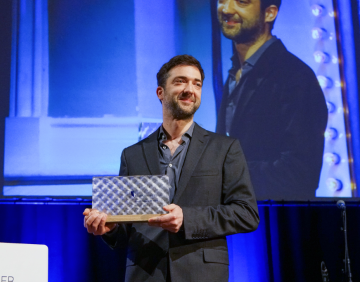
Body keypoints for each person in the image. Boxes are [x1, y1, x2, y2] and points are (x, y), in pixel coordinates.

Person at [84, 55, 259, 282]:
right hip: (145, 274)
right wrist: (110, 228)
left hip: (202, 275)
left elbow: (246, 214)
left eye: (197, 84)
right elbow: (127, 228)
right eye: (180, 81)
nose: (190, 89)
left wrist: (187, 218)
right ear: (160, 93)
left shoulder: (225, 148)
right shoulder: (133, 154)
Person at [216, 0, 328, 200]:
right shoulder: (236, 74)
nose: (227, 9)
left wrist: (223, 175)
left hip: (277, 226)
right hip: (239, 224)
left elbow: (299, 173)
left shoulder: (295, 77)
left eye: (242, 2)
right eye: (222, 0)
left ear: (269, 13)